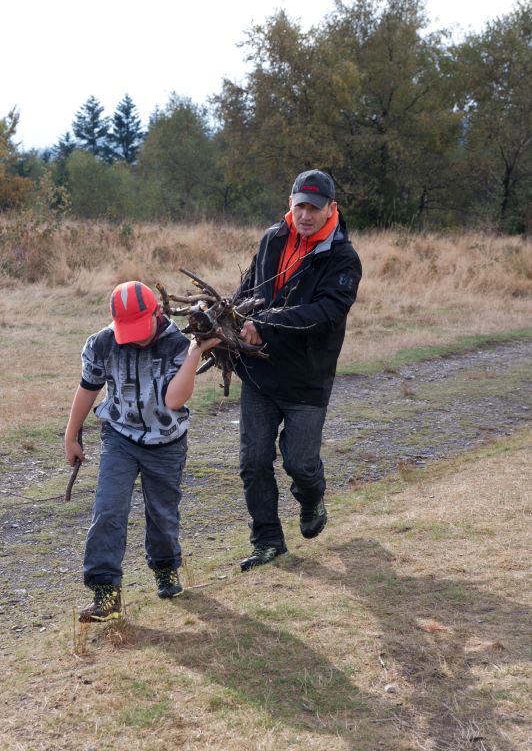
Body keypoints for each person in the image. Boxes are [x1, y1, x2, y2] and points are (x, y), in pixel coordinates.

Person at [64, 280, 219, 622]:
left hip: (166, 444)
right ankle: (106, 594)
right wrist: (71, 433)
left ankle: (165, 569)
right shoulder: (104, 343)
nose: (133, 337)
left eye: (139, 327)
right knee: (107, 510)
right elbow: (89, 388)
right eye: (126, 330)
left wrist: (196, 352)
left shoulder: (179, 344)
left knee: (162, 514)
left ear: (157, 312)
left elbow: (175, 400)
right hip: (119, 437)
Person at [235, 169, 362, 571]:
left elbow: (327, 312)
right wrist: (231, 317)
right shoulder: (272, 239)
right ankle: (268, 541)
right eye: (299, 206)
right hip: (260, 373)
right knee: (253, 460)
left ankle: (311, 498)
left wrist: (267, 323)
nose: (305, 215)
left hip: (307, 378)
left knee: (299, 463)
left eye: (314, 207)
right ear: (290, 205)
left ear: (331, 210)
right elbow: (252, 289)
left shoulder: (343, 258)